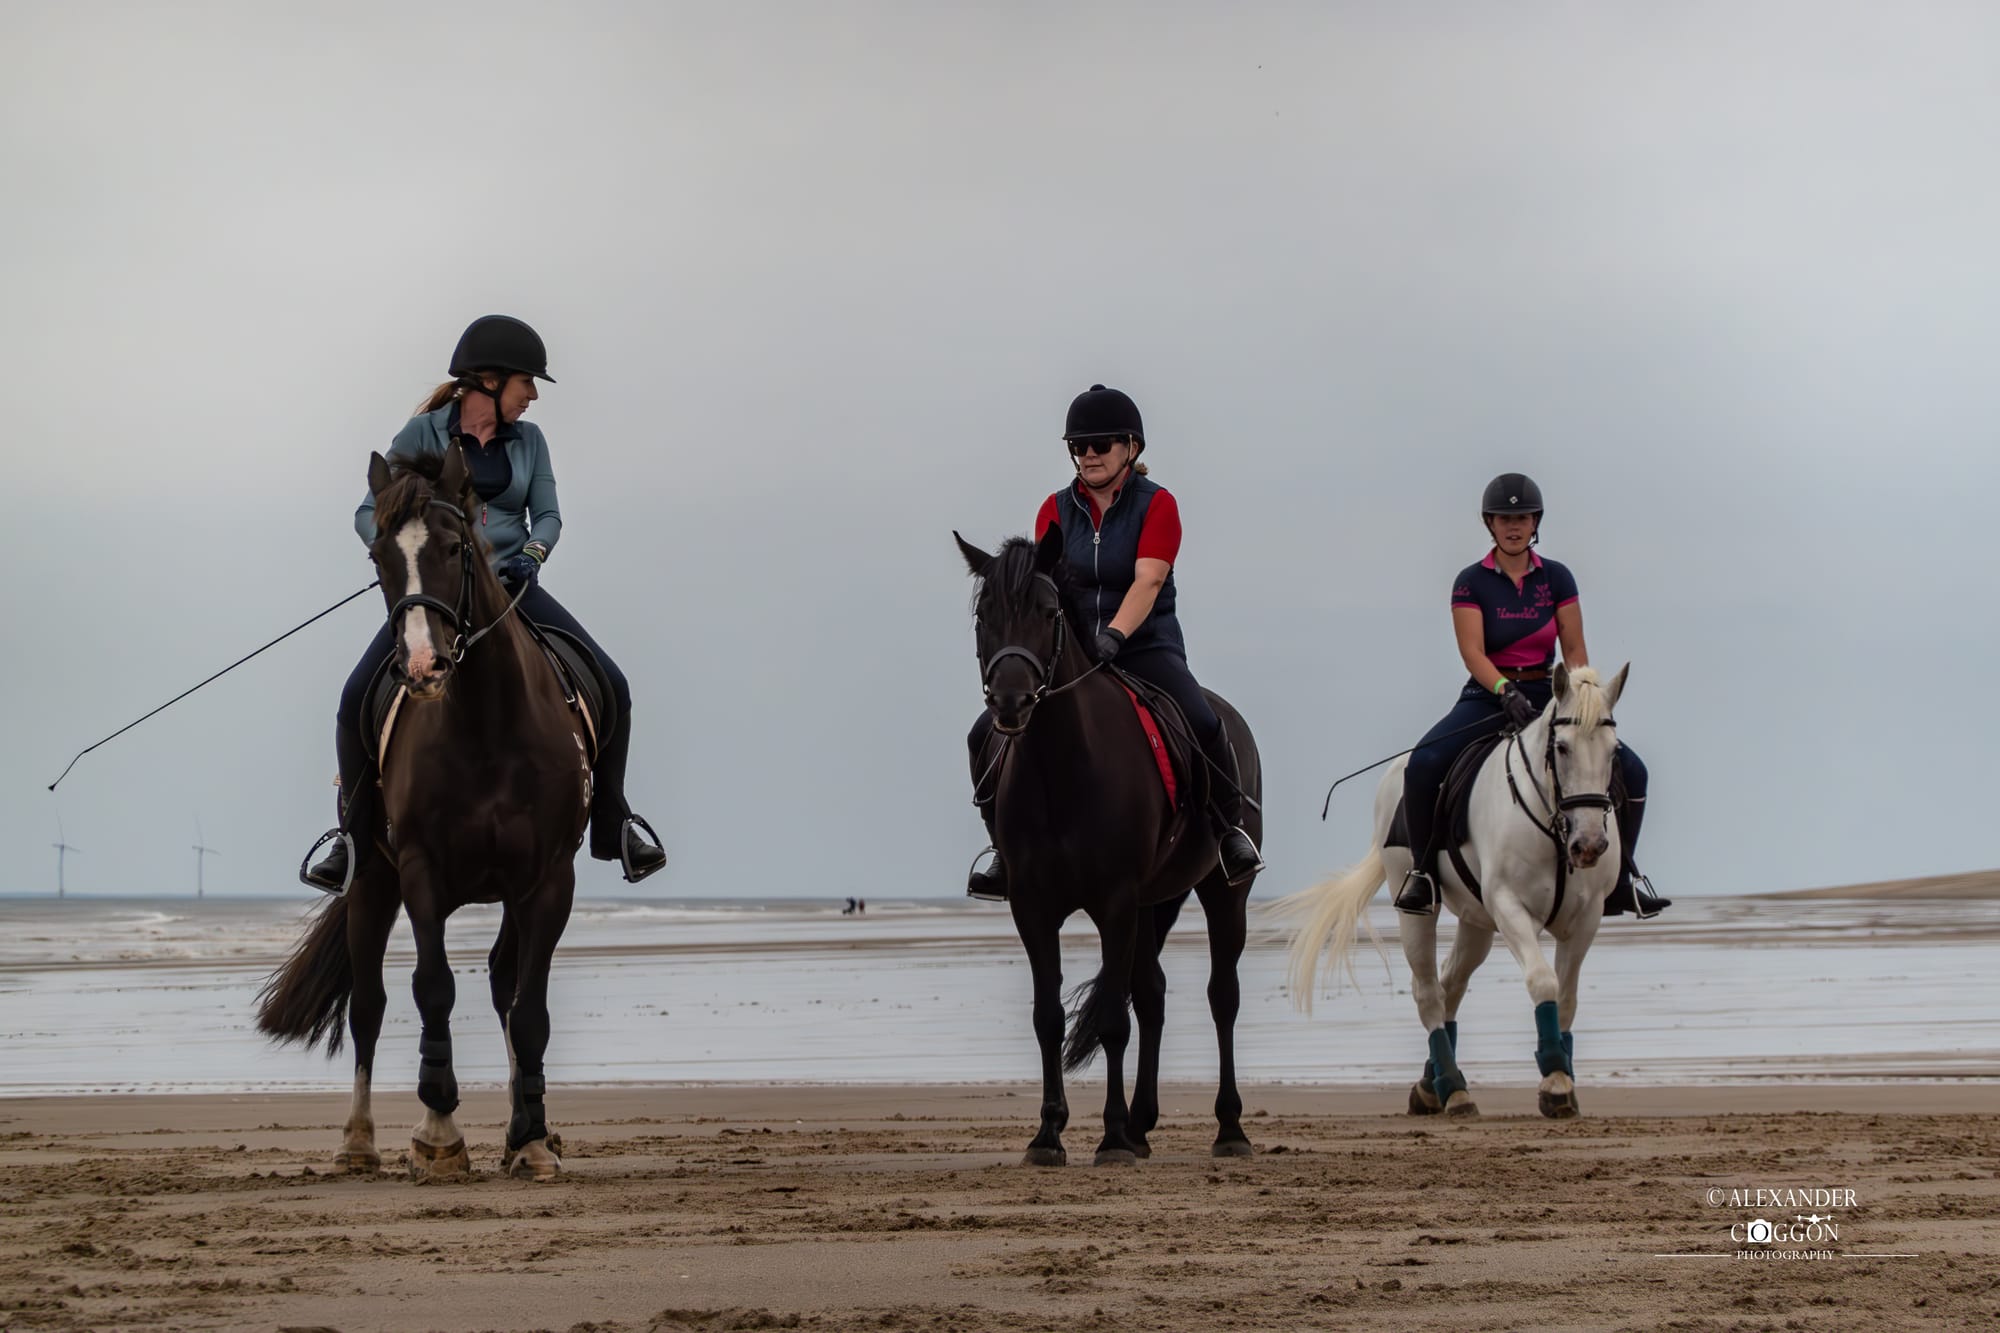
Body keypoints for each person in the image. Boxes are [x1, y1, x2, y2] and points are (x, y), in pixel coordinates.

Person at [302, 315, 666, 890]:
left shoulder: (532, 442)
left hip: (515, 590)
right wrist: (405, 551)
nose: (534, 396)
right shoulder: (422, 434)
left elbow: (547, 514)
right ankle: (350, 838)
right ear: (490, 382)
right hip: (440, 597)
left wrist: (535, 552)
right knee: (355, 699)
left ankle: (614, 821)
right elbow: (367, 512)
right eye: (527, 383)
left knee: (613, 685)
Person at [966, 384, 1263, 900]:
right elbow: (1045, 585)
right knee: (981, 734)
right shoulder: (1054, 509)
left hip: (1147, 647)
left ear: (1131, 447)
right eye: (1079, 446)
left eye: (1101, 443)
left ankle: (1229, 831)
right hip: (1075, 652)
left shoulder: (1158, 505)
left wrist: (1116, 636)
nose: (1088, 454)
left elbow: (1148, 580)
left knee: (1205, 723)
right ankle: (1003, 851)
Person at [1391, 473, 1667, 920]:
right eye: (1504, 519)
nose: (1513, 526)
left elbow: (1574, 649)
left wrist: (1581, 701)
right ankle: (1422, 874)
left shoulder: (1557, 578)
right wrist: (1503, 690)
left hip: (1550, 691)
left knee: (1633, 771)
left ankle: (1622, 880)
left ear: (1535, 522)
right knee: (1422, 764)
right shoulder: (1470, 582)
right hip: (1487, 693)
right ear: (1490, 524)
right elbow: (1472, 652)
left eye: (1521, 517)